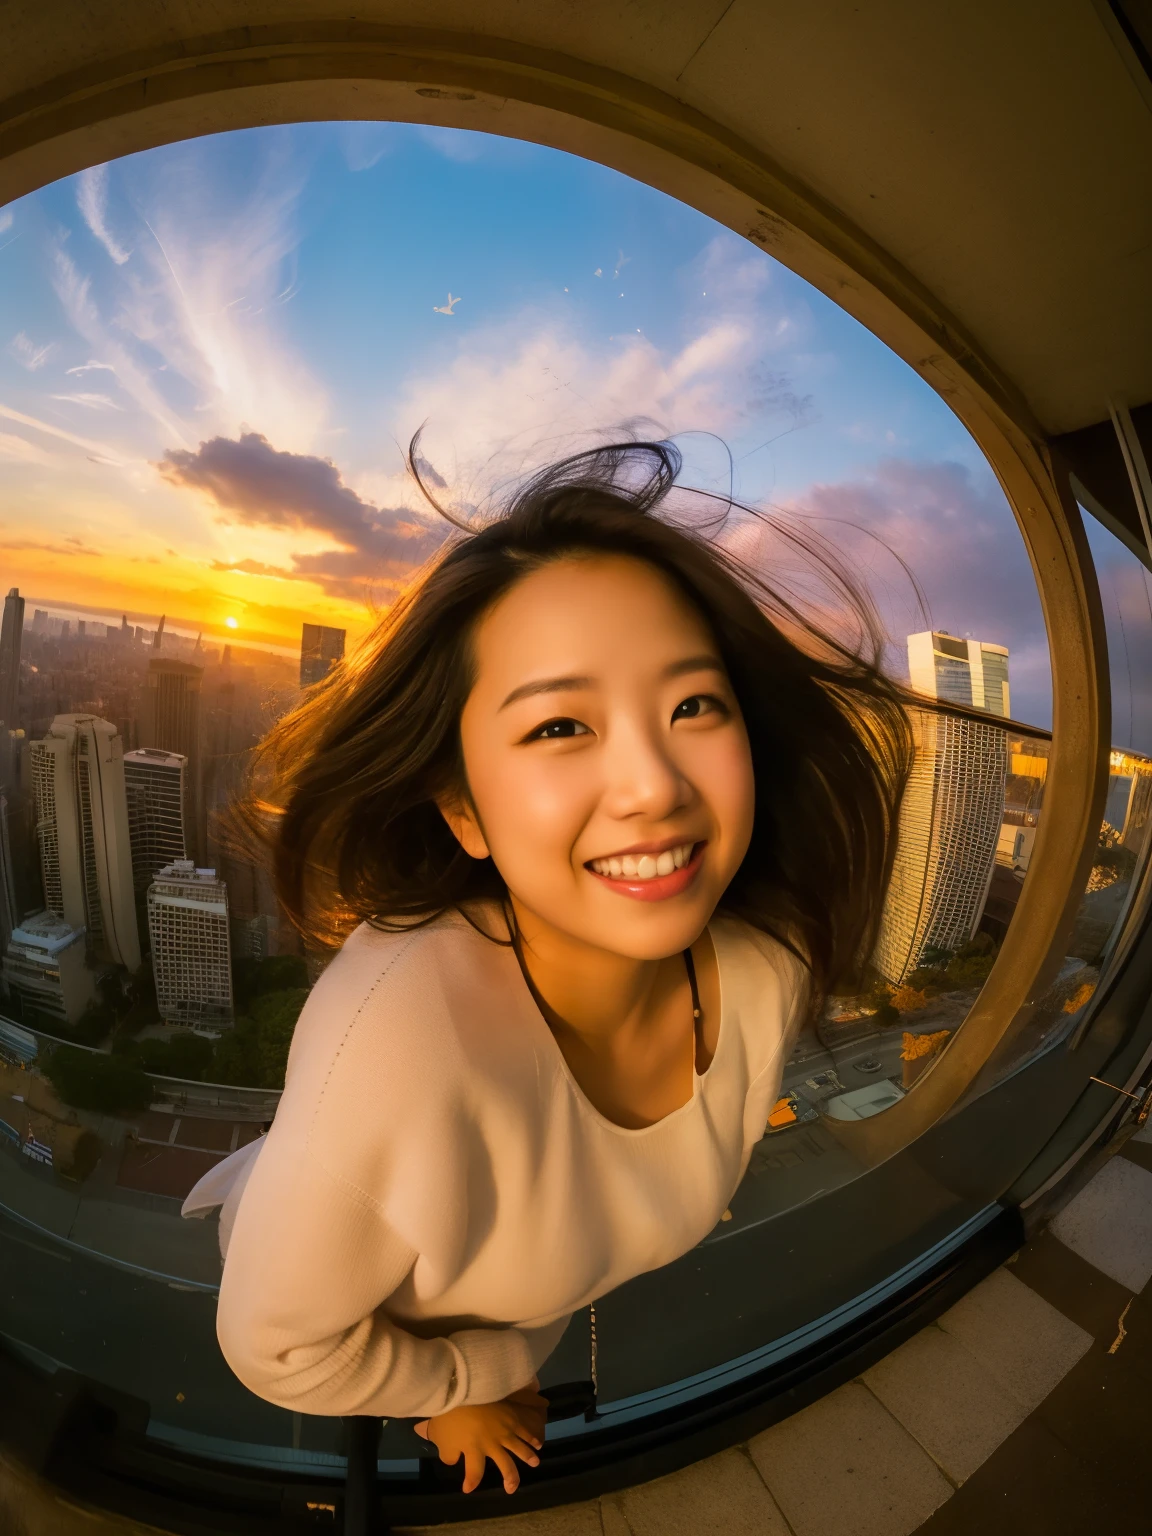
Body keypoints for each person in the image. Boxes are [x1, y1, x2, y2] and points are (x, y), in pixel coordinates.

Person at [181, 438, 911, 1496]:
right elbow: (279, 1346)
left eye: (695, 706)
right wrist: (461, 1383)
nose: (652, 786)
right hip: (363, 1287)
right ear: (464, 806)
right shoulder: (400, 1044)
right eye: (562, 724)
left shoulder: (764, 967)